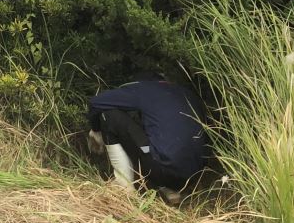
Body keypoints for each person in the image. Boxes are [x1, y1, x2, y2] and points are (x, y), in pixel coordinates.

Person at [87, 72, 208, 203]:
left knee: (109, 116)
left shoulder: (144, 89)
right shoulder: (187, 94)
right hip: (194, 175)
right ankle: (171, 190)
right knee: (158, 133)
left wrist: (96, 130)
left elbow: (95, 103)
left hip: (161, 168)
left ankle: (123, 189)